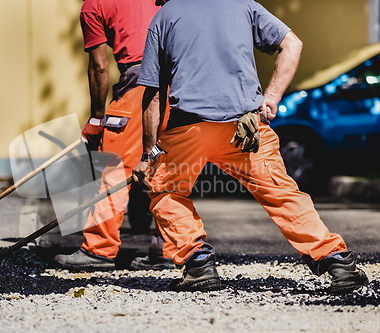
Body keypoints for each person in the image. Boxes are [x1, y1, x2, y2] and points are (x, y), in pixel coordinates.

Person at [132, 0, 369, 293]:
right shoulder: (243, 4)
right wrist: (270, 98)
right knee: (282, 194)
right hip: (246, 128)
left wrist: (148, 155)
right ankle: (335, 260)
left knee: (165, 190)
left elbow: (154, 95)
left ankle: (198, 263)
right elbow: (292, 44)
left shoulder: (164, 16)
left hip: (189, 128)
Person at [53, 0, 176, 271]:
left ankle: (99, 249)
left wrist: (96, 119)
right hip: (180, 81)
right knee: (166, 167)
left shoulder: (93, 5)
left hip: (140, 84)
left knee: (113, 168)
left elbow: (99, 67)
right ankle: (167, 248)